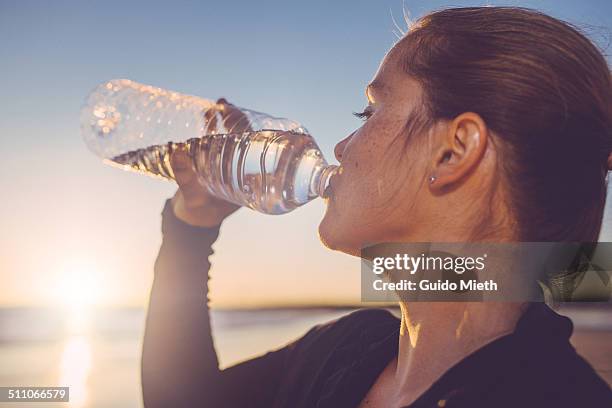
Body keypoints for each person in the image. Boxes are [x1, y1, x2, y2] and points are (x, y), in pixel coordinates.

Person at [141, 6, 612, 407]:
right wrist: (191, 228)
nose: (342, 147)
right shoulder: (347, 349)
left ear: (454, 151)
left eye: (368, 112)